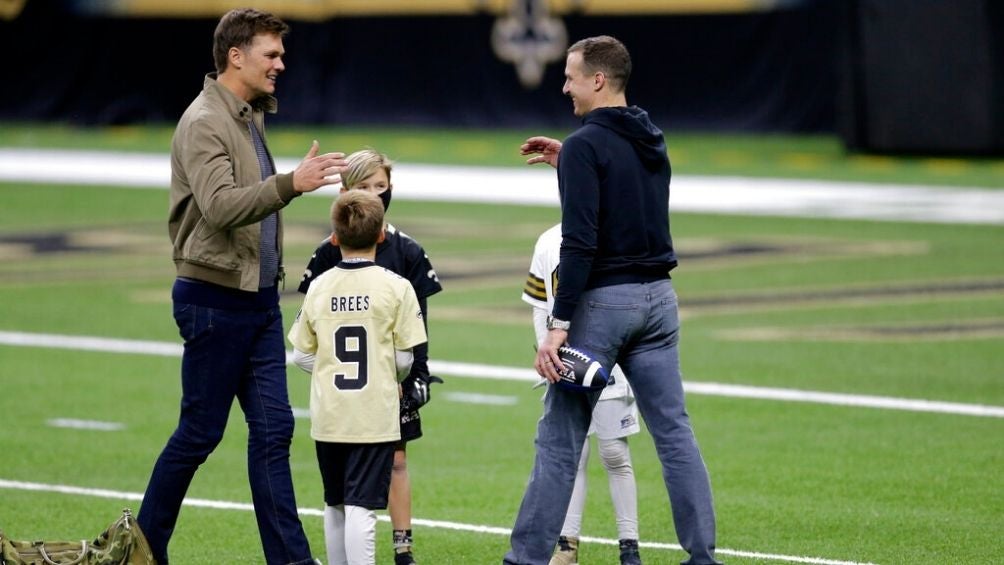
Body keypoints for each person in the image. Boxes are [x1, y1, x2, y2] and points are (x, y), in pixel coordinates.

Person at [138, 8, 347, 564]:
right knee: (200, 434)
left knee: (275, 431)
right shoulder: (206, 119)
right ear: (236, 55)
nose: (282, 63)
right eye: (271, 54)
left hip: (255, 299)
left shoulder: (247, 113)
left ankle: (291, 560)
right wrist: (291, 184)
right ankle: (145, 547)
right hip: (214, 299)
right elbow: (220, 206)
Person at [504, 35, 721, 565]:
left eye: (571, 76)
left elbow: (580, 243)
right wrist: (570, 166)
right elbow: (626, 195)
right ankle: (702, 557)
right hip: (660, 304)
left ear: (598, 80)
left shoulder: (586, 145)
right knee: (674, 434)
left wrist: (558, 324)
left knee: (559, 439)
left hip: (604, 304)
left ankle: (525, 559)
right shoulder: (651, 136)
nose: (564, 85)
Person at [298, 149, 442, 565]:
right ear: (345, 193)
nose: (376, 195)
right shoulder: (329, 253)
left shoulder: (407, 251)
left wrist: (419, 371)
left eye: (382, 187)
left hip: (384, 382)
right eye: (366, 187)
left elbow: (420, 324)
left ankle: (403, 546)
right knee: (353, 487)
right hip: (365, 385)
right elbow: (315, 323)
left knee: (396, 459)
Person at [522, 223, 643, 565]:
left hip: (610, 361)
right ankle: (567, 545)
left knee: (614, 452)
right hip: (563, 361)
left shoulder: (616, 234)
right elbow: (538, 303)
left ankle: (629, 547)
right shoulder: (547, 240)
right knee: (572, 456)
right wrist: (550, 356)